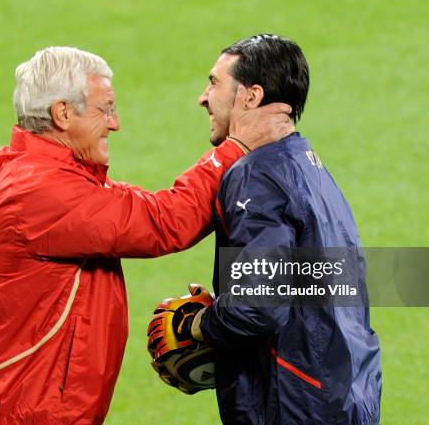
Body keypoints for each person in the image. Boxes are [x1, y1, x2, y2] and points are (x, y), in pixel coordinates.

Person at [0, 46, 294, 425]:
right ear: (63, 113)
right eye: (105, 109)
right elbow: (163, 221)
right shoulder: (34, 190)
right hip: (9, 413)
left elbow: (156, 209)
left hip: (22, 406)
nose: (115, 122)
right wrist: (235, 149)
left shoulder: (51, 176)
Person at [149, 35, 382, 424]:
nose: (203, 98)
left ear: (251, 96)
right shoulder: (313, 170)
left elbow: (257, 307)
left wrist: (198, 324)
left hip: (294, 403)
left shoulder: (256, 174)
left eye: (214, 83)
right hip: (347, 394)